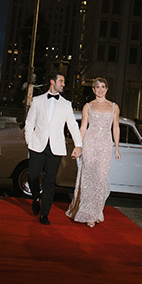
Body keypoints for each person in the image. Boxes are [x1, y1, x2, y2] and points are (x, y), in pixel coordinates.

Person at [24, 72, 82, 225]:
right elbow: (29, 123)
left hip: (56, 148)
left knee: (50, 182)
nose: (63, 84)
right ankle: (36, 196)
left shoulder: (66, 104)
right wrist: (30, 141)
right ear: (52, 82)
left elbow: (72, 125)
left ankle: (44, 214)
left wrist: (78, 144)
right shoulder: (37, 101)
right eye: (61, 81)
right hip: (37, 145)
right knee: (33, 177)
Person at [66, 77, 120, 227]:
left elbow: (116, 127)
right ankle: (89, 214)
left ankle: (96, 211)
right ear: (93, 90)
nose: (100, 89)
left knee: (100, 179)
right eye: (97, 87)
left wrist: (116, 147)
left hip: (105, 146)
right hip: (90, 144)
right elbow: (83, 127)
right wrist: (78, 146)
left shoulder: (114, 107)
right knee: (89, 179)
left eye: (103, 86)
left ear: (107, 89)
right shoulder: (88, 107)